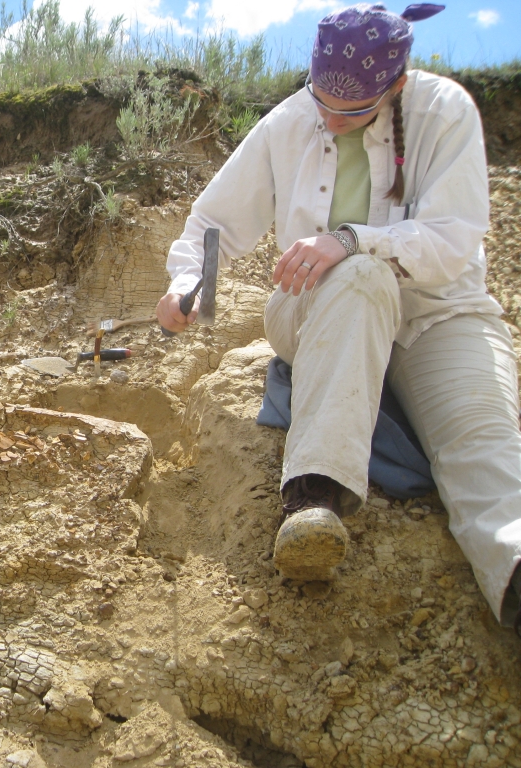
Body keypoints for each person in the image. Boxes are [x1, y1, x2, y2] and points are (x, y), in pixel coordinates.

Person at [157, 3, 521, 634]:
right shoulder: (290, 121)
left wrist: (353, 237)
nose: (328, 118)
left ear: (397, 86)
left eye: (349, 110)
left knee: (482, 440)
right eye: (319, 98)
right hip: (318, 312)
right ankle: (312, 496)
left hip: (440, 315)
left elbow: (453, 238)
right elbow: (212, 224)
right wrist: (190, 283)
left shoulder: (445, 110)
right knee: (356, 276)